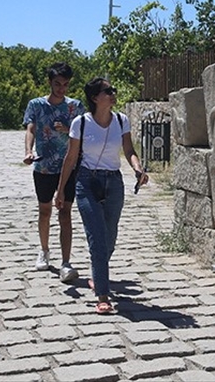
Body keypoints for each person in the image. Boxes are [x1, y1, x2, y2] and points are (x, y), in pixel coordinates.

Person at [54, 77, 148, 314]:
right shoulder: (81, 123)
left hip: (113, 182)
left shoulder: (121, 120)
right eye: (109, 91)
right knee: (97, 237)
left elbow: (128, 149)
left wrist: (137, 168)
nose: (113, 94)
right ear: (95, 97)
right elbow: (71, 158)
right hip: (87, 181)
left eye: (113, 90)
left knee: (110, 237)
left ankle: (98, 274)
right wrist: (61, 189)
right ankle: (103, 295)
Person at [22, 62, 84, 281]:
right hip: (44, 166)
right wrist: (29, 151)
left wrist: (68, 130)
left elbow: (84, 132)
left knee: (65, 212)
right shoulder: (36, 105)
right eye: (57, 84)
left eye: (65, 84)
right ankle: (44, 250)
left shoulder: (75, 106)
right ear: (50, 82)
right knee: (45, 210)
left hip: (68, 166)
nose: (61, 89)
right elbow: (30, 128)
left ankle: (66, 262)